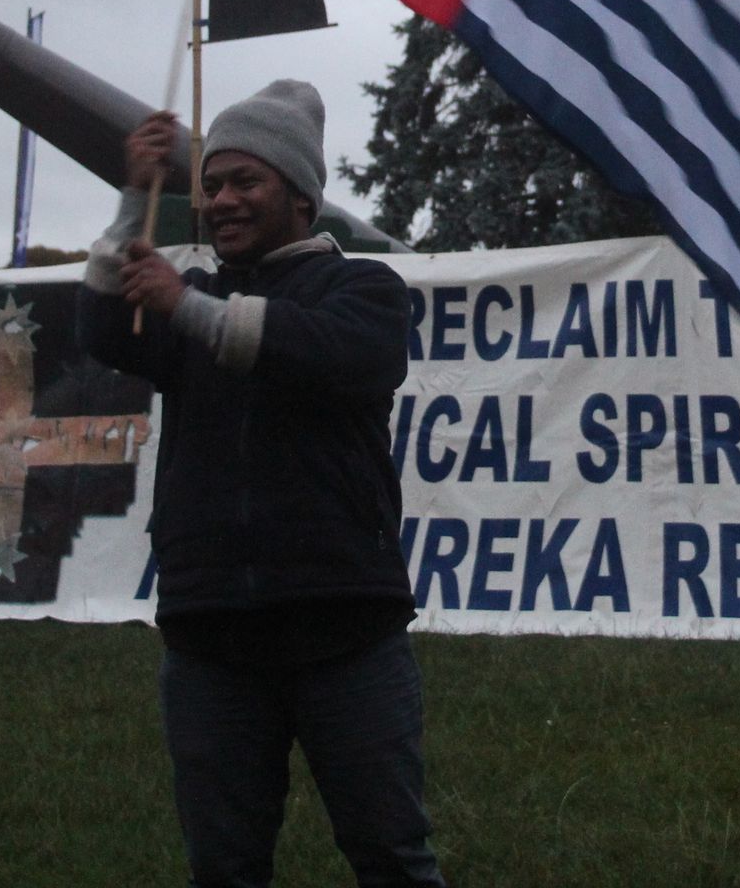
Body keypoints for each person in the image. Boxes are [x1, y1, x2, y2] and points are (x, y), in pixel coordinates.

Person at [79, 78, 445, 888]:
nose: (221, 202)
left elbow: (335, 354)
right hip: (211, 635)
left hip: (344, 628)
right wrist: (129, 200)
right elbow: (104, 330)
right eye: (210, 185)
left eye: (246, 181)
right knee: (225, 868)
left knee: (390, 856)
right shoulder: (192, 299)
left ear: (302, 195)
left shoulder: (363, 289)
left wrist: (191, 309)